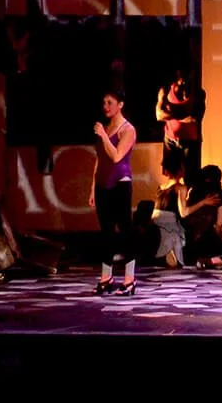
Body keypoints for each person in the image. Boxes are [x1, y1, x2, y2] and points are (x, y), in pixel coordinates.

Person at [89, 89, 138, 295]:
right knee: (105, 232)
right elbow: (100, 159)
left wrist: (103, 136)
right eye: (104, 103)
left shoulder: (128, 130)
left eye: (110, 102)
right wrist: (92, 188)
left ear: (121, 104)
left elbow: (117, 156)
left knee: (125, 230)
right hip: (102, 184)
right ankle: (106, 277)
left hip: (120, 183)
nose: (106, 106)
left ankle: (129, 280)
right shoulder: (106, 128)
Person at [181, 163, 222, 269]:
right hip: (206, 239)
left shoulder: (193, 191)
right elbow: (219, 223)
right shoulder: (219, 195)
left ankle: (209, 260)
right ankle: (211, 261)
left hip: (189, 240)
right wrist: (216, 239)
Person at [154, 73, 206, 179]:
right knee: (171, 176)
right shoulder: (166, 91)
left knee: (190, 177)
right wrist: (183, 116)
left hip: (190, 141)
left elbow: (196, 118)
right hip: (170, 139)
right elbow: (159, 115)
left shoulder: (198, 93)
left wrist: (170, 114)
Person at [152, 147, 189, 267]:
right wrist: (204, 202)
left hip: (155, 218)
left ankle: (166, 255)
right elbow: (184, 212)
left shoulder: (161, 187)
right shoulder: (180, 188)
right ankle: (171, 255)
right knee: (175, 236)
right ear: (180, 168)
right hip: (169, 220)